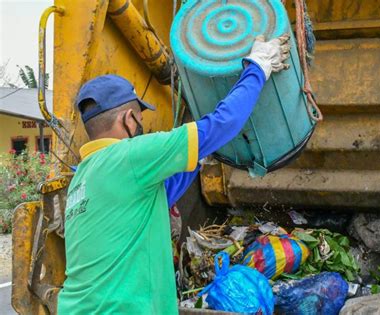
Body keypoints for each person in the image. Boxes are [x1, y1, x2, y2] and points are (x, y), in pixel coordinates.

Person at [58, 34, 291, 314]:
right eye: (141, 120)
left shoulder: (84, 176)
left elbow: (160, 196)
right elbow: (221, 124)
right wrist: (258, 66)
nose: (143, 128)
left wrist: (194, 159)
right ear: (129, 120)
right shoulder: (130, 156)